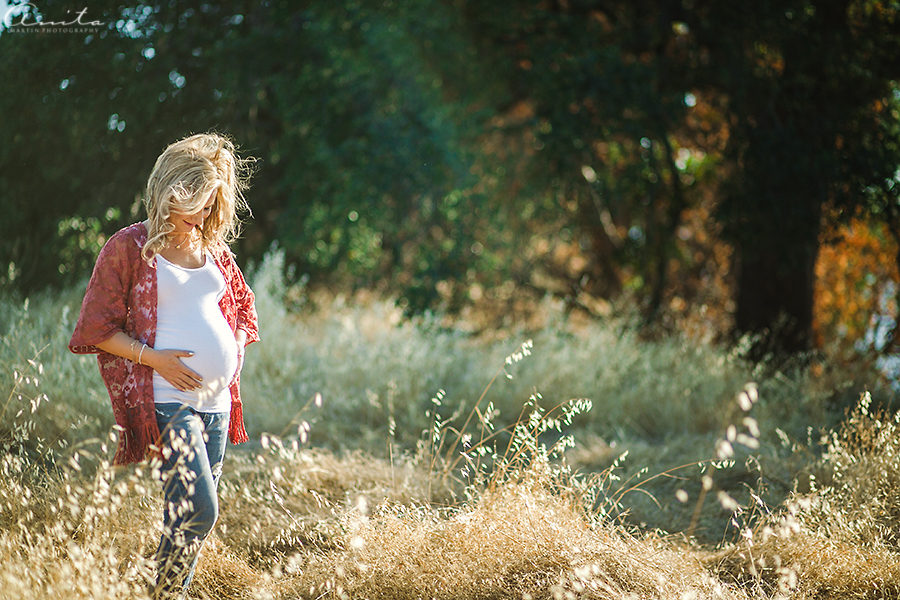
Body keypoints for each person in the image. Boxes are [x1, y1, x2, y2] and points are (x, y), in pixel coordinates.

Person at [68, 132, 259, 599]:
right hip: (167, 399)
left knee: (185, 516)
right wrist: (153, 359)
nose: (206, 213)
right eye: (198, 201)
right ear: (171, 190)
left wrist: (233, 352)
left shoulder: (214, 250)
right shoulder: (131, 247)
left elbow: (244, 309)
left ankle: (168, 594)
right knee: (200, 509)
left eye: (213, 202)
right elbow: (95, 328)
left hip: (215, 402)